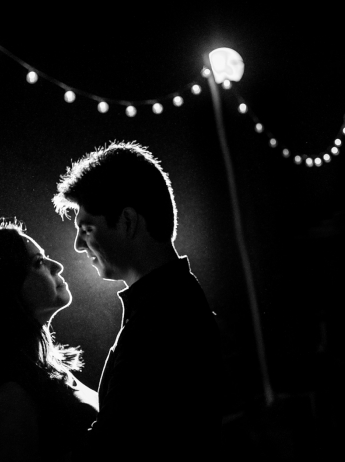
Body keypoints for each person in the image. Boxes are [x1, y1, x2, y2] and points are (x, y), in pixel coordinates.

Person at [52, 141, 224, 460]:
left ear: (128, 221)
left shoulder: (162, 319)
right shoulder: (167, 302)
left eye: (87, 228)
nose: (78, 244)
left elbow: (118, 446)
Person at [0, 218, 98, 462]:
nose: (57, 265)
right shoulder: (10, 401)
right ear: (5, 288)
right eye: (38, 262)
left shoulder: (49, 373)